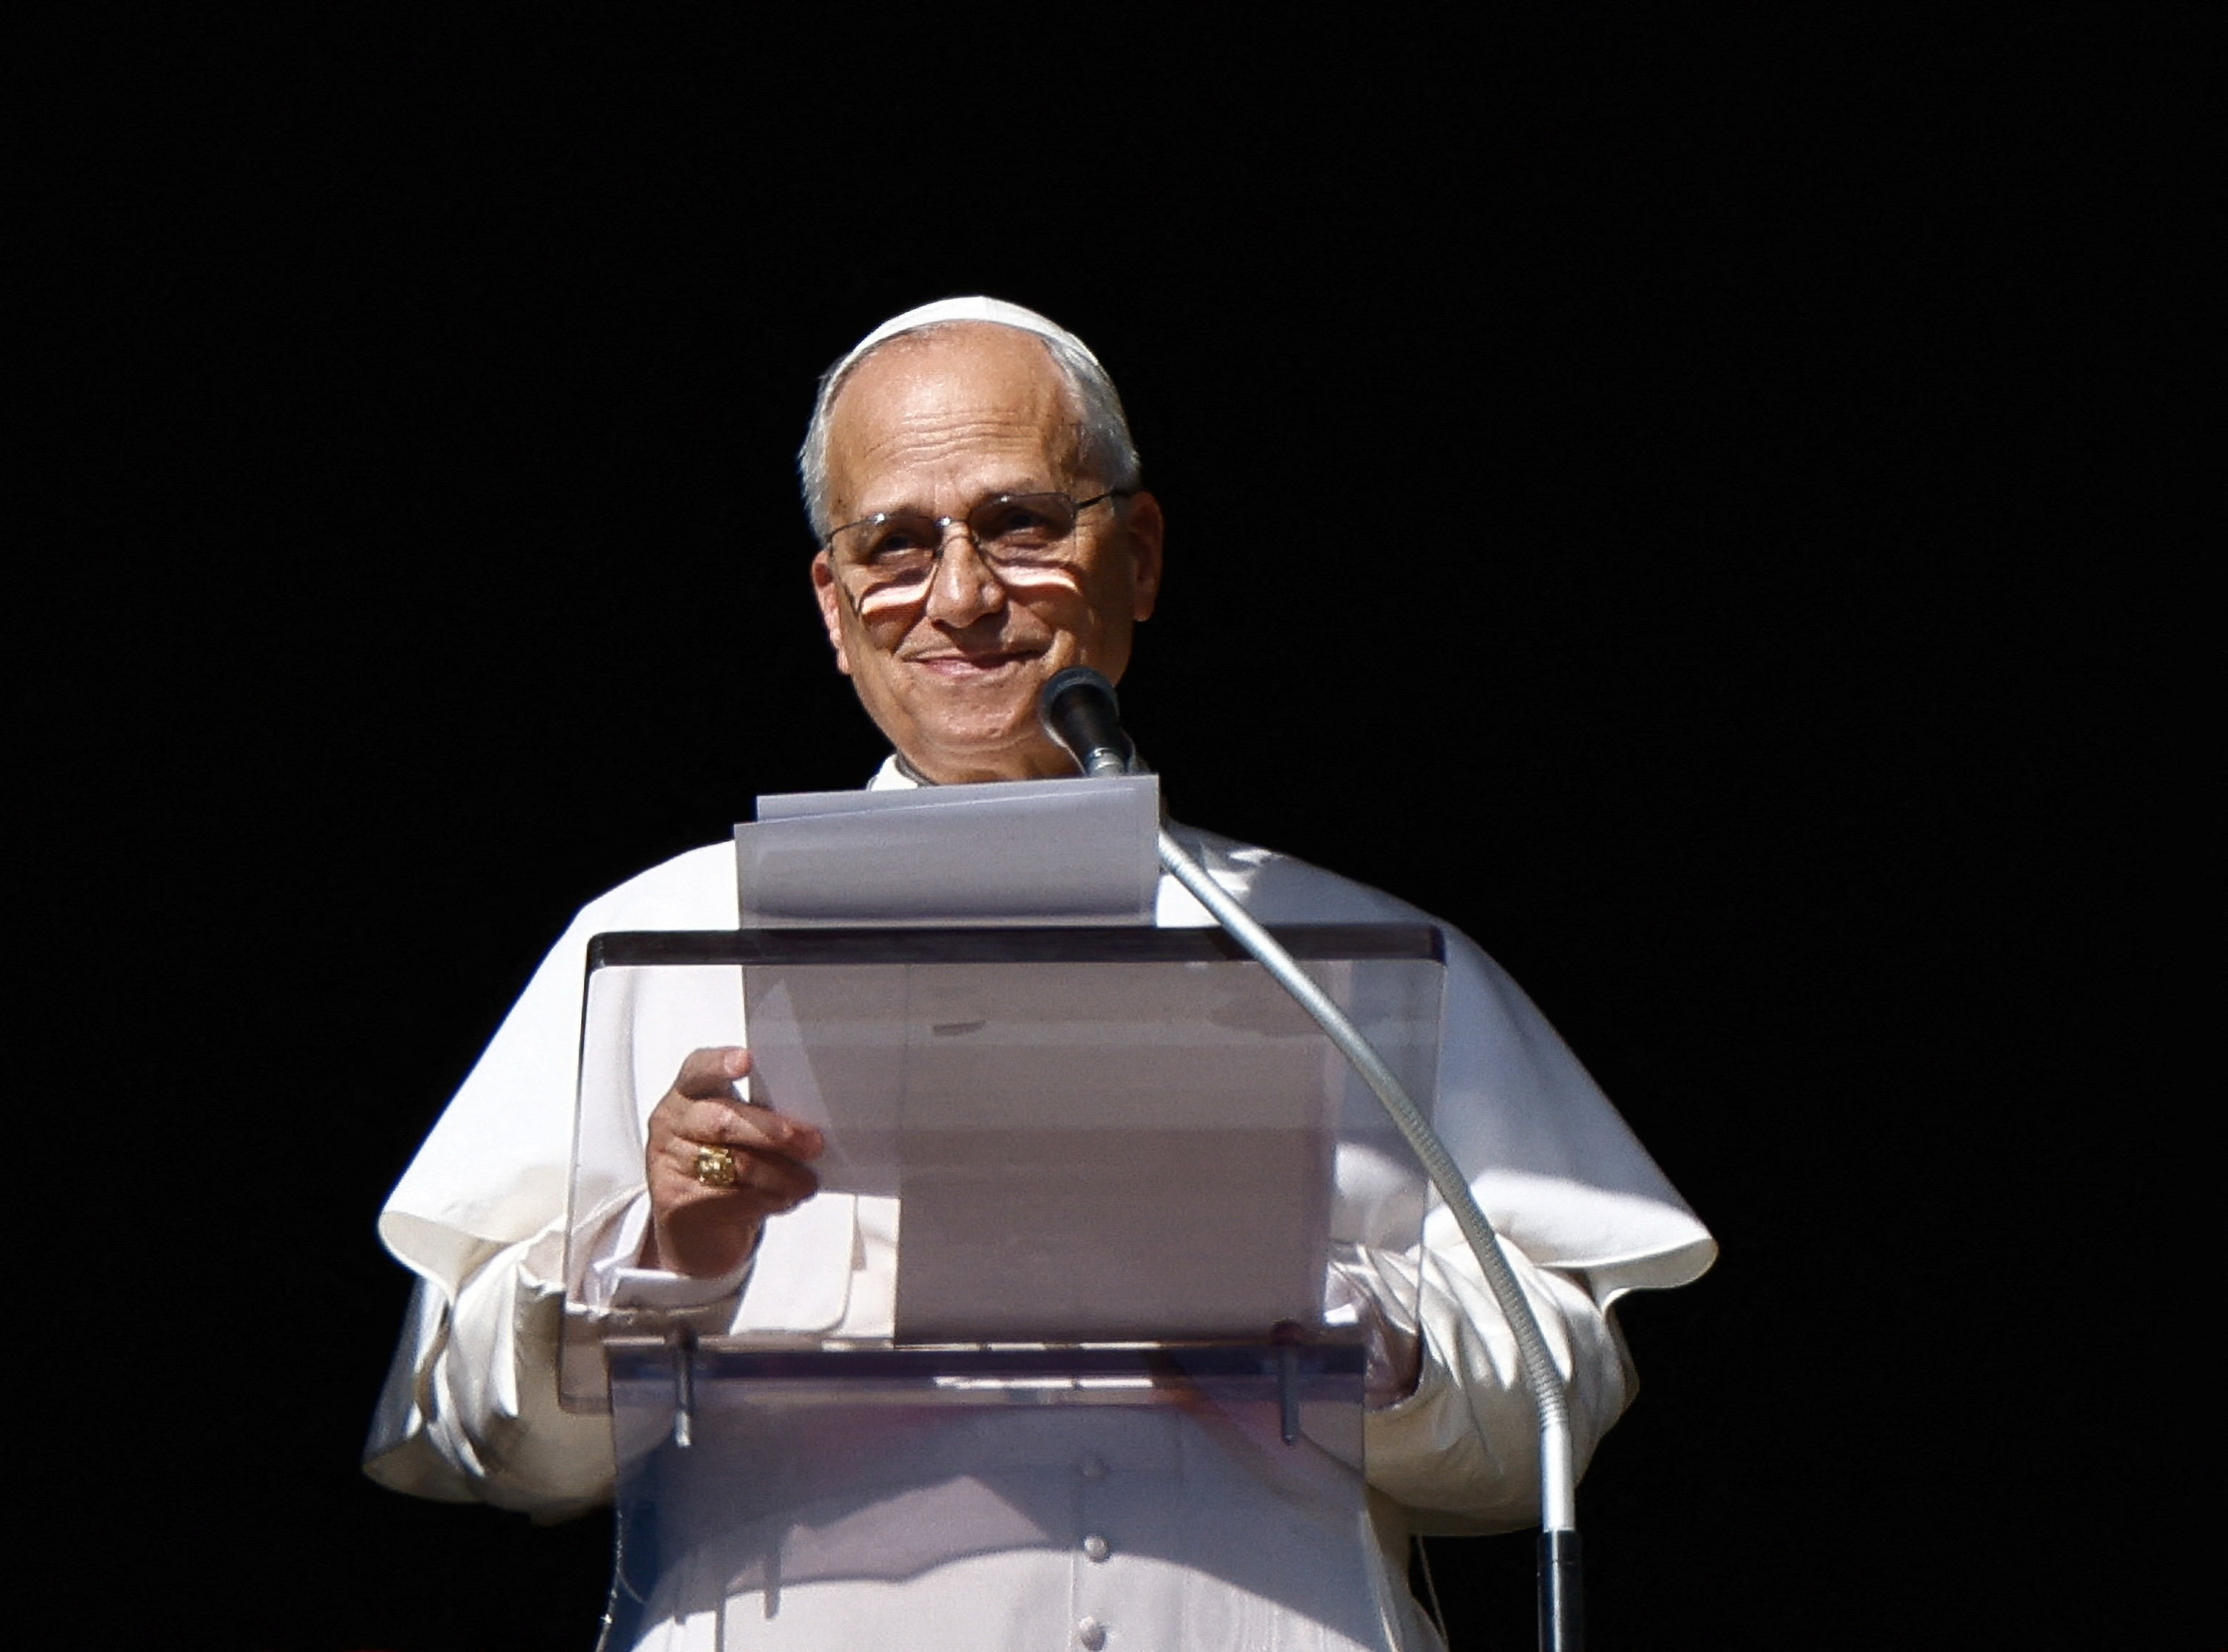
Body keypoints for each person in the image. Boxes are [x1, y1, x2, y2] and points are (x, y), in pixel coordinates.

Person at [366, 297, 1715, 1650]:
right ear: (832, 609)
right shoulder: (652, 945)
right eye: (895, 545)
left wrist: (1311, 1302)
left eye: (1021, 522)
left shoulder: (1337, 957)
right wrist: (661, 1255)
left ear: (1139, 554)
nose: (961, 595)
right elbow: (468, 1444)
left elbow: (1549, 1422)